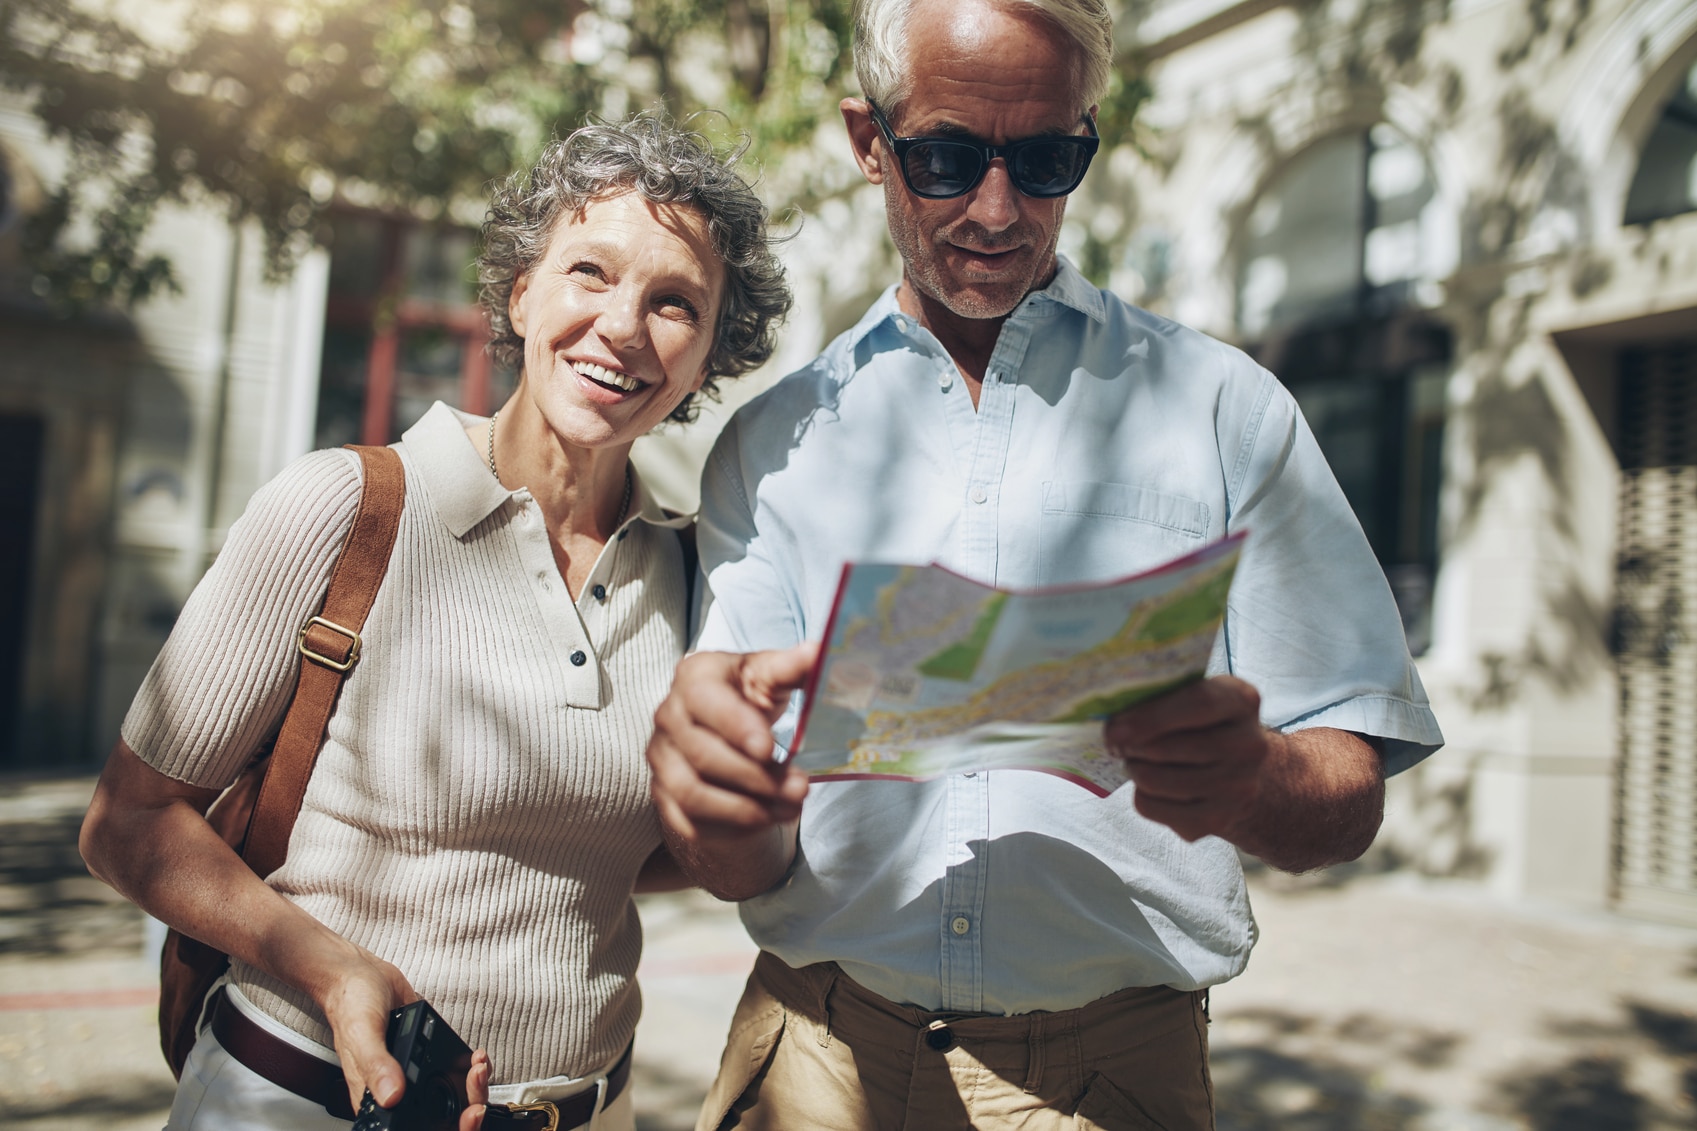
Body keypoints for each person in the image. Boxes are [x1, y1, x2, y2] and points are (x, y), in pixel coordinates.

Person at [643, 1, 1445, 1128]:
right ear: (867, 141)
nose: (995, 209)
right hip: (812, 1056)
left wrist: (1252, 778)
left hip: (1110, 1077)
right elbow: (743, 862)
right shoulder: (773, 447)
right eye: (944, 157)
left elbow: (1344, 798)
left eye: (1046, 159)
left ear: (1088, 137)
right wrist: (715, 806)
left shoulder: (1223, 411)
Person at [79, 113, 790, 1131]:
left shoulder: (689, 568)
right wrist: (326, 967)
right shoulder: (346, 508)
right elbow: (126, 824)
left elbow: (616, 841)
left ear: (708, 354)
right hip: (305, 1097)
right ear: (520, 292)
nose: (625, 328)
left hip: (590, 1110)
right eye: (588, 272)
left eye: (674, 303)